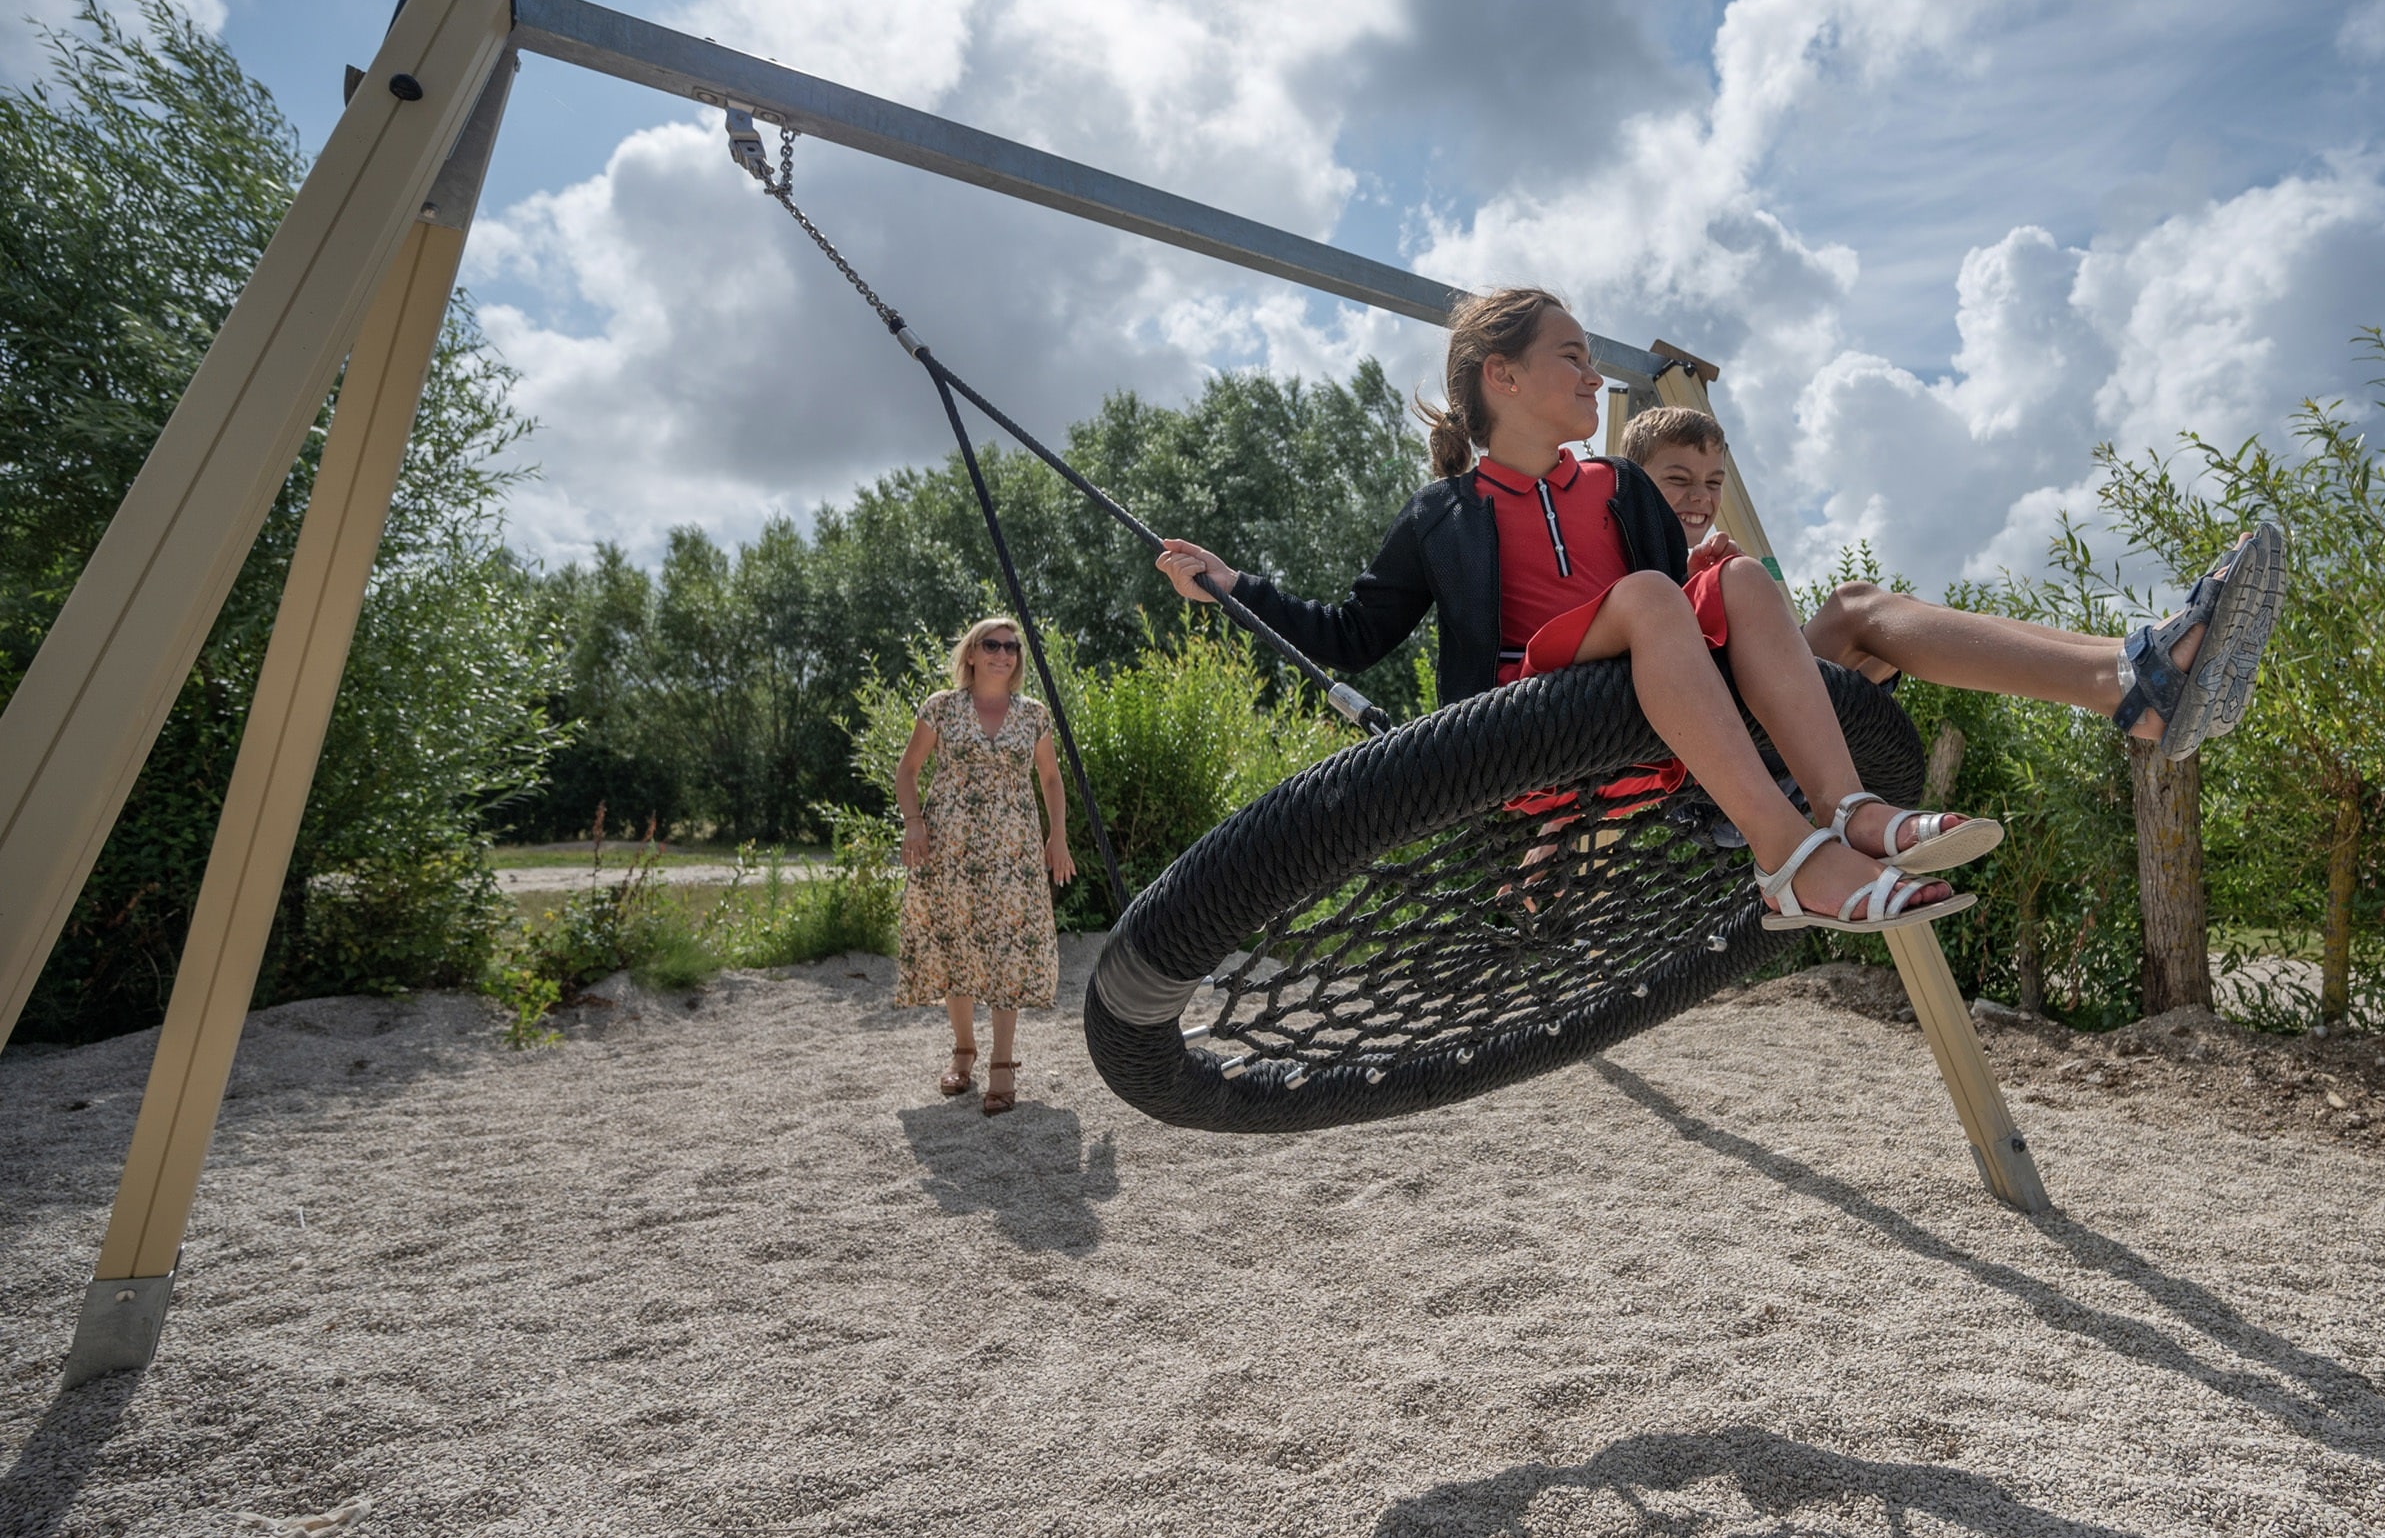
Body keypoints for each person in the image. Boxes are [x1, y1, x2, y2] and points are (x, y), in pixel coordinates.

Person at [1154, 289, 1993, 933]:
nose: (1593, 376)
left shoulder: (1619, 485)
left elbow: (1684, 615)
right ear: (1504, 375)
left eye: (1593, 361)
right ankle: (1788, 859)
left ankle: (1848, 809)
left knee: (1737, 579)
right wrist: (1238, 588)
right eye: (1573, 358)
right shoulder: (1444, 514)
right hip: (1529, 728)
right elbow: (1354, 635)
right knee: (1653, 596)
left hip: (1639, 721)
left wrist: (1733, 612)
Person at [1618, 405, 2280, 761]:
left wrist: (1710, 587)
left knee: (1889, 621)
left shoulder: (1687, 567)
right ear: (1631, 481)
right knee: (1854, 608)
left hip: (1743, 718)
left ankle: (2137, 658)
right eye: (1678, 480)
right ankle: (2131, 686)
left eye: (1713, 483)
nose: (1701, 497)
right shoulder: (1618, 561)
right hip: (1704, 752)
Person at [892, 616, 1076, 1114]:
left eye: (1011, 647)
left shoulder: (1032, 714)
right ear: (971, 654)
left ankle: (1002, 1062)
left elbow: (1051, 779)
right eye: (991, 645)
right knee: (956, 944)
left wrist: (1057, 836)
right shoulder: (941, 708)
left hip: (1014, 852)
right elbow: (907, 771)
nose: (1002, 654)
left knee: (1008, 947)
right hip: (948, 850)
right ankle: (963, 1051)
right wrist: (914, 823)